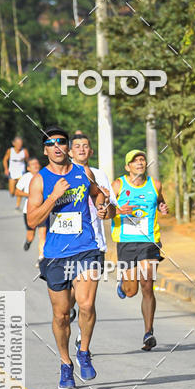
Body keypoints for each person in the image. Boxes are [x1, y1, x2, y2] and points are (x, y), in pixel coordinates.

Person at [26, 126, 112, 389]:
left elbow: (100, 196)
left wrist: (103, 208)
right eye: (51, 144)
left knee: (85, 305)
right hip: (55, 255)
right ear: (45, 150)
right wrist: (54, 197)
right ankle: (65, 363)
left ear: (67, 147)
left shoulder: (82, 172)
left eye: (61, 142)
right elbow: (32, 219)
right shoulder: (39, 181)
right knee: (62, 315)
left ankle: (83, 351)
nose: (57, 147)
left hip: (86, 248)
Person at [111, 150, 169, 351]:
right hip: (126, 242)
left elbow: (160, 199)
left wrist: (162, 206)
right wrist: (118, 210)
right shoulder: (118, 185)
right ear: (128, 167)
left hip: (149, 241)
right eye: (135, 161)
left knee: (147, 284)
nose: (139, 163)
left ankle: (148, 332)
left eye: (142, 160)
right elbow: (105, 209)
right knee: (131, 291)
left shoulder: (155, 184)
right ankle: (123, 283)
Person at [69, 133, 117, 345]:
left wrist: (106, 210)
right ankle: (68, 312)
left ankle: (83, 341)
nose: (81, 149)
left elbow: (112, 208)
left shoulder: (99, 175)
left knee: (86, 302)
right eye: (77, 146)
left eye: (85, 146)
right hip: (65, 247)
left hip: (93, 244)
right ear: (70, 152)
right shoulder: (61, 175)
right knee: (69, 300)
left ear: (91, 151)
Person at [14, 157, 47, 258]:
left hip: (43, 209)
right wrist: (31, 195)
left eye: (37, 163)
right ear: (28, 168)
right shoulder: (25, 177)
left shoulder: (44, 176)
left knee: (43, 234)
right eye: (33, 164)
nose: (36, 165)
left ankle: (41, 257)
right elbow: (17, 191)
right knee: (31, 235)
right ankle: (28, 241)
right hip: (29, 211)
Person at [3, 136, 29, 209]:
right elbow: (5, 160)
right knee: (12, 192)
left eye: (20, 143)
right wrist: (6, 169)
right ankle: (14, 193)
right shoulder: (10, 151)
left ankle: (18, 205)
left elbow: (28, 161)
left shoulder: (25, 151)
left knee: (19, 189)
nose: (19, 145)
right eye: (17, 143)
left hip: (21, 172)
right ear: (14, 143)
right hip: (12, 172)